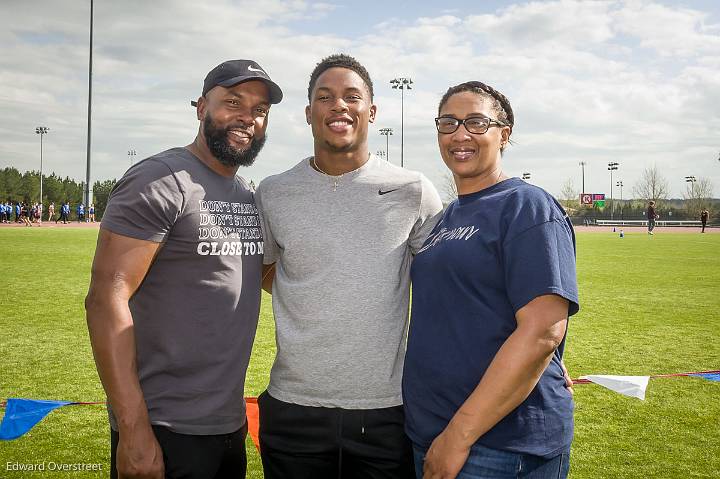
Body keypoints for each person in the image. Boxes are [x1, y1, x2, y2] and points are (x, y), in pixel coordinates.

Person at [85, 58, 282, 479]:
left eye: (259, 110)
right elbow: (105, 300)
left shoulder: (246, 193)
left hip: (227, 425)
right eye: (232, 101)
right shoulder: (161, 178)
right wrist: (134, 429)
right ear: (200, 107)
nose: (247, 117)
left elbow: (262, 278)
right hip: (163, 426)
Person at [255, 53, 443, 478]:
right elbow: (268, 272)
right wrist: (321, 291)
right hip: (293, 408)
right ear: (308, 113)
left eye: (351, 96)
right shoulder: (274, 192)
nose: (338, 105)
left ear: (371, 111)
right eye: (325, 97)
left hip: (385, 411)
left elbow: (445, 284)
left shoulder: (413, 190)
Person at [403, 81, 579, 479]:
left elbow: (542, 332)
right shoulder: (445, 217)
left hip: (498, 446)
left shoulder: (526, 206)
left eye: (477, 122)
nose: (460, 134)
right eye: (448, 123)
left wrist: (458, 437)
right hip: (431, 433)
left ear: (504, 134)